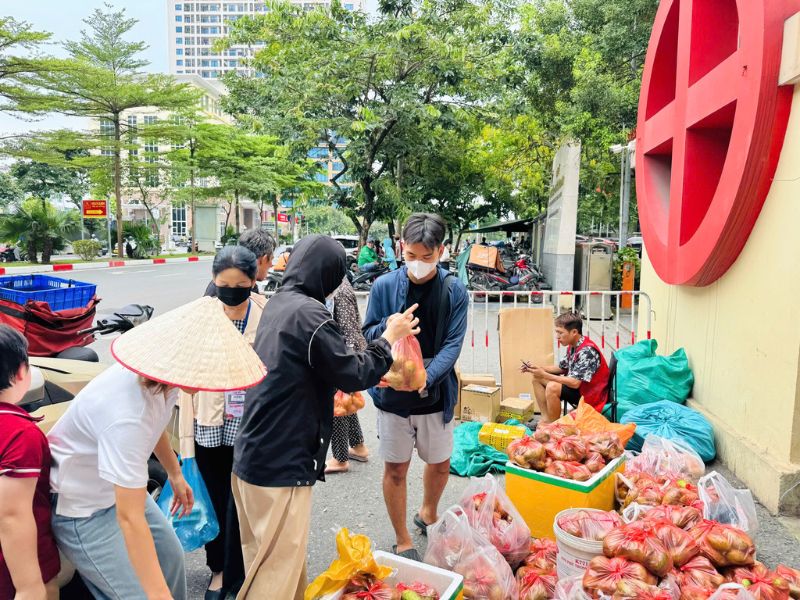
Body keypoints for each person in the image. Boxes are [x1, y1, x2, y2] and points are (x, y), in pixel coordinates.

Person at [232, 234, 420, 600]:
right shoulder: (310, 314)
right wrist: (388, 337)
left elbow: (307, 366)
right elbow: (351, 372)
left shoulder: (279, 303)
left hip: (254, 454)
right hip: (280, 461)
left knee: (273, 564)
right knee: (274, 579)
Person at [48, 297, 265, 600]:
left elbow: (155, 424)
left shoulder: (162, 377)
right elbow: (129, 518)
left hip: (118, 489)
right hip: (82, 508)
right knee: (138, 594)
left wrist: (175, 475)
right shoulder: (126, 414)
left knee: (171, 558)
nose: (207, 382)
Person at [363, 213, 469, 561]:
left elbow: (453, 344)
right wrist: (389, 327)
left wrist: (426, 376)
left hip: (435, 397)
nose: (418, 265)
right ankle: (403, 537)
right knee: (396, 468)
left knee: (440, 464)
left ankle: (428, 511)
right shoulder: (382, 286)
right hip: (392, 398)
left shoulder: (454, 290)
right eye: (411, 256)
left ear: (442, 250)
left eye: (427, 257)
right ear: (401, 248)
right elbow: (367, 334)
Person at [180, 246, 266, 599]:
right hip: (209, 419)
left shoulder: (266, 311)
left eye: (240, 284)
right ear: (214, 281)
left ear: (252, 281)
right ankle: (218, 570)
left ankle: (244, 567)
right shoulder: (201, 315)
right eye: (223, 284)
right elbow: (184, 371)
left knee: (245, 498)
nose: (231, 291)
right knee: (216, 496)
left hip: (251, 420)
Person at [0, 326, 60, 600]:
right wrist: (30, 587)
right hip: (18, 571)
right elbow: (12, 516)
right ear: (22, 373)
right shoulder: (19, 432)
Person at [522, 311, 610, 423]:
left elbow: (574, 383)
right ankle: (546, 419)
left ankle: (553, 428)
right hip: (579, 389)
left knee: (552, 387)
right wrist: (537, 368)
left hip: (589, 394)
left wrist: (544, 374)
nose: (557, 337)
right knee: (537, 378)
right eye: (556, 332)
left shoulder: (587, 351)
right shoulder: (573, 345)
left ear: (574, 332)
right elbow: (561, 367)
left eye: (560, 333)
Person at [325, 278, 371, 474]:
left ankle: (340, 457)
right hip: (344, 351)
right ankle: (358, 446)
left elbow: (349, 329)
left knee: (337, 404)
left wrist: (346, 363)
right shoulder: (338, 283)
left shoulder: (338, 289)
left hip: (342, 352)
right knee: (345, 400)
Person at [205, 229, 276, 297]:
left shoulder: (222, 282)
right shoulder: (243, 291)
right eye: (271, 259)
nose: (271, 264)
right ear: (263, 259)